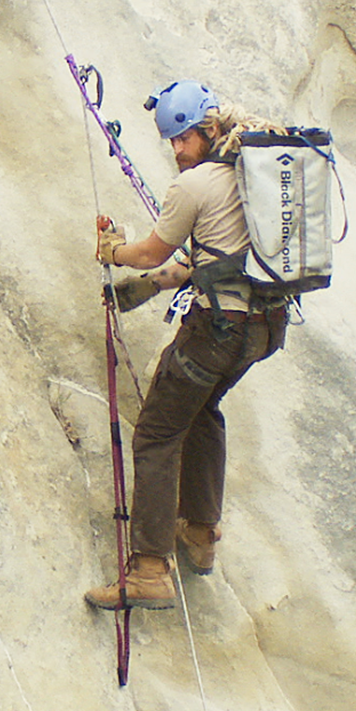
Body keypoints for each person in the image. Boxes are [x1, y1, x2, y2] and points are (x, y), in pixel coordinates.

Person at [86, 80, 288, 611]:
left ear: (209, 130)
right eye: (170, 141)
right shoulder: (253, 178)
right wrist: (146, 289)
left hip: (215, 334)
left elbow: (153, 251)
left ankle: (149, 571)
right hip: (263, 330)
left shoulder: (196, 186)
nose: (177, 150)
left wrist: (114, 252)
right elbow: (203, 262)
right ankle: (200, 532)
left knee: (155, 433)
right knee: (202, 411)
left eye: (184, 138)